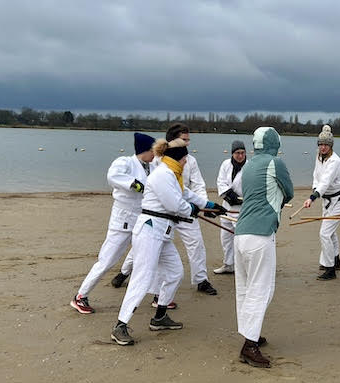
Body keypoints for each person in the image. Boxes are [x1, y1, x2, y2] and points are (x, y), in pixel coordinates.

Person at [110, 139, 226, 346]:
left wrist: (211, 205)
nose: (185, 163)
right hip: (149, 231)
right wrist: (197, 211)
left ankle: (160, 317)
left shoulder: (172, 174)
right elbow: (175, 204)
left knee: (175, 272)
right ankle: (120, 325)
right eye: (184, 159)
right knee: (142, 278)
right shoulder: (163, 175)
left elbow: (185, 194)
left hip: (162, 233)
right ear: (178, 158)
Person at [109, 123, 219, 297]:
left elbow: (197, 185)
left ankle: (201, 280)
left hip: (186, 209)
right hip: (164, 212)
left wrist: (205, 206)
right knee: (146, 245)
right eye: (184, 139)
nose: (188, 143)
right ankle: (124, 272)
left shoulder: (190, 160)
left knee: (196, 244)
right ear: (172, 140)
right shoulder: (157, 160)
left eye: (188, 139)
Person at [70, 133, 155, 314]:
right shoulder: (124, 162)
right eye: (152, 150)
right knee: (107, 260)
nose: (155, 154)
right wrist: (134, 184)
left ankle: (159, 296)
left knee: (155, 253)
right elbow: (113, 176)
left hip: (142, 218)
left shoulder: (151, 166)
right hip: (123, 219)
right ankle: (80, 296)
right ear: (144, 150)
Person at [232, 127, 294, 367]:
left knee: (245, 288)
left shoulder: (247, 165)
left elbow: (241, 190)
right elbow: (288, 192)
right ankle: (250, 344)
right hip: (261, 233)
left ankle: (251, 332)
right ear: (274, 143)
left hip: (241, 232)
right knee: (262, 289)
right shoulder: (275, 162)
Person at [300, 124, 340, 280]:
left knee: (324, 233)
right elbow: (317, 176)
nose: (323, 147)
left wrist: (313, 197)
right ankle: (336, 260)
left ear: (331, 145)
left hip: (338, 201)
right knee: (330, 233)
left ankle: (330, 269)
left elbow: (326, 181)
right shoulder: (319, 156)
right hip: (326, 200)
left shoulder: (335, 161)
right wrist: (314, 189)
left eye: (326, 144)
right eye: (320, 144)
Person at [213, 140, 246, 275]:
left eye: (242, 153)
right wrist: (228, 194)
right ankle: (228, 264)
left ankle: (242, 266)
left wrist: (239, 199)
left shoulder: (249, 167)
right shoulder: (225, 164)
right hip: (226, 206)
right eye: (237, 153)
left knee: (240, 239)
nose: (240, 156)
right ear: (232, 153)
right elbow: (220, 181)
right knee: (226, 237)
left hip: (241, 208)